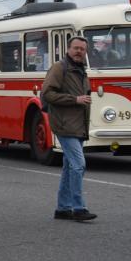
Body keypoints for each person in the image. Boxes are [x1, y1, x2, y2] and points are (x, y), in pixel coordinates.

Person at [42, 35, 97, 222]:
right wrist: (75, 100)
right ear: (68, 49)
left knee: (69, 167)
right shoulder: (59, 68)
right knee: (78, 164)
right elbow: (47, 94)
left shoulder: (81, 70)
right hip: (64, 125)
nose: (79, 51)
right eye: (76, 48)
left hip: (77, 126)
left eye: (82, 49)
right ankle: (78, 207)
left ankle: (63, 208)